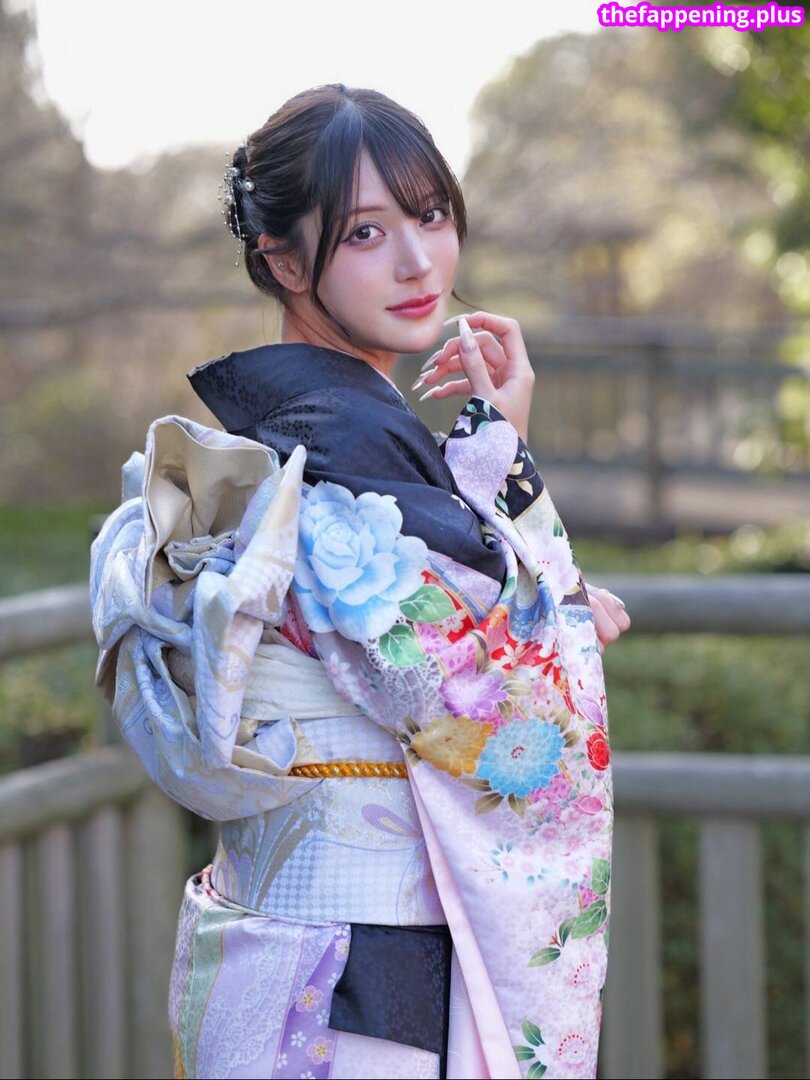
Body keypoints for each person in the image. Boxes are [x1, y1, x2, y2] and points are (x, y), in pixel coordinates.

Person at [90, 83, 630, 1080]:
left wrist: (499, 465)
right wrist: (524, 517)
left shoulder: (309, 441)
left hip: (280, 956)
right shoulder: (342, 458)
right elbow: (499, 708)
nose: (419, 261)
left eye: (431, 215)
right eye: (367, 233)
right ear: (284, 260)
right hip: (354, 976)